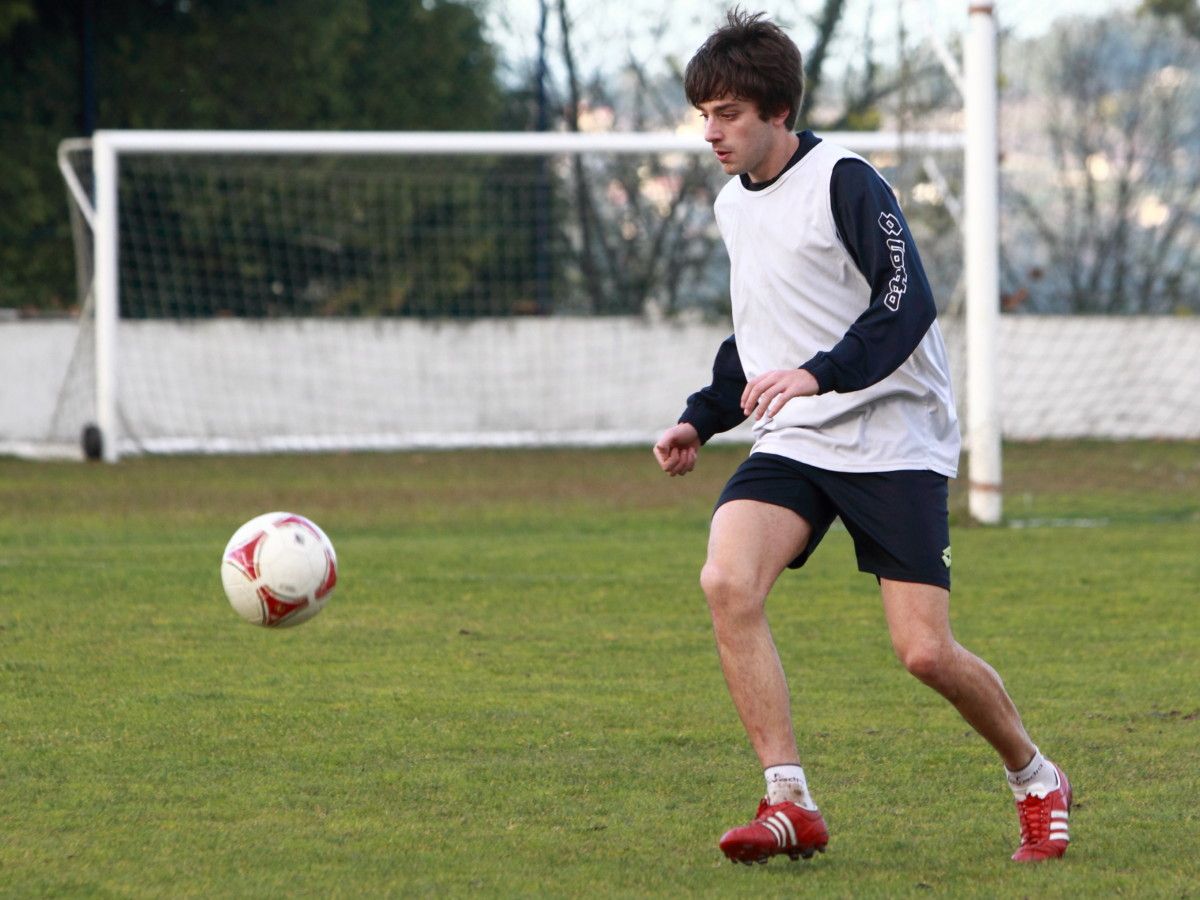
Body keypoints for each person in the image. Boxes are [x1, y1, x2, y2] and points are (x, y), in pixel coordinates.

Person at [653, 7, 1071, 866]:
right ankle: (788, 801)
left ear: (776, 111)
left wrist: (817, 373)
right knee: (727, 582)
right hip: (800, 438)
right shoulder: (735, 208)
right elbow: (761, 335)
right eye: (704, 115)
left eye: (728, 114)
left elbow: (904, 303)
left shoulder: (846, 180)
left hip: (895, 434)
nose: (712, 134)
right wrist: (702, 415)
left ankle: (1035, 775)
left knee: (923, 651)